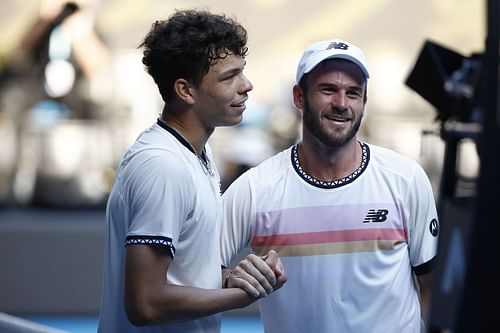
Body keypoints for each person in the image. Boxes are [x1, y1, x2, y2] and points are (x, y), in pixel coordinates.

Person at [220, 39, 439, 333]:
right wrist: (231, 276)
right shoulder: (255, 189)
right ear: (299, 97)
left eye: (353, 93)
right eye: (328, 90)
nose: (341, 103)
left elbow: (433, 288)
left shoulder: (406, 179)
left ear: (364, 102)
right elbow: (196, 269)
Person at [97, 9, 286, 333]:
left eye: (242, 72)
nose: (247, 86)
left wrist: (230, 276)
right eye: (229, 77)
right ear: (185, 90)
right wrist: (239, 296)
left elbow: (183, 273)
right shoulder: (163, 166)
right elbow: (145, 303)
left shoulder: (196, 154)